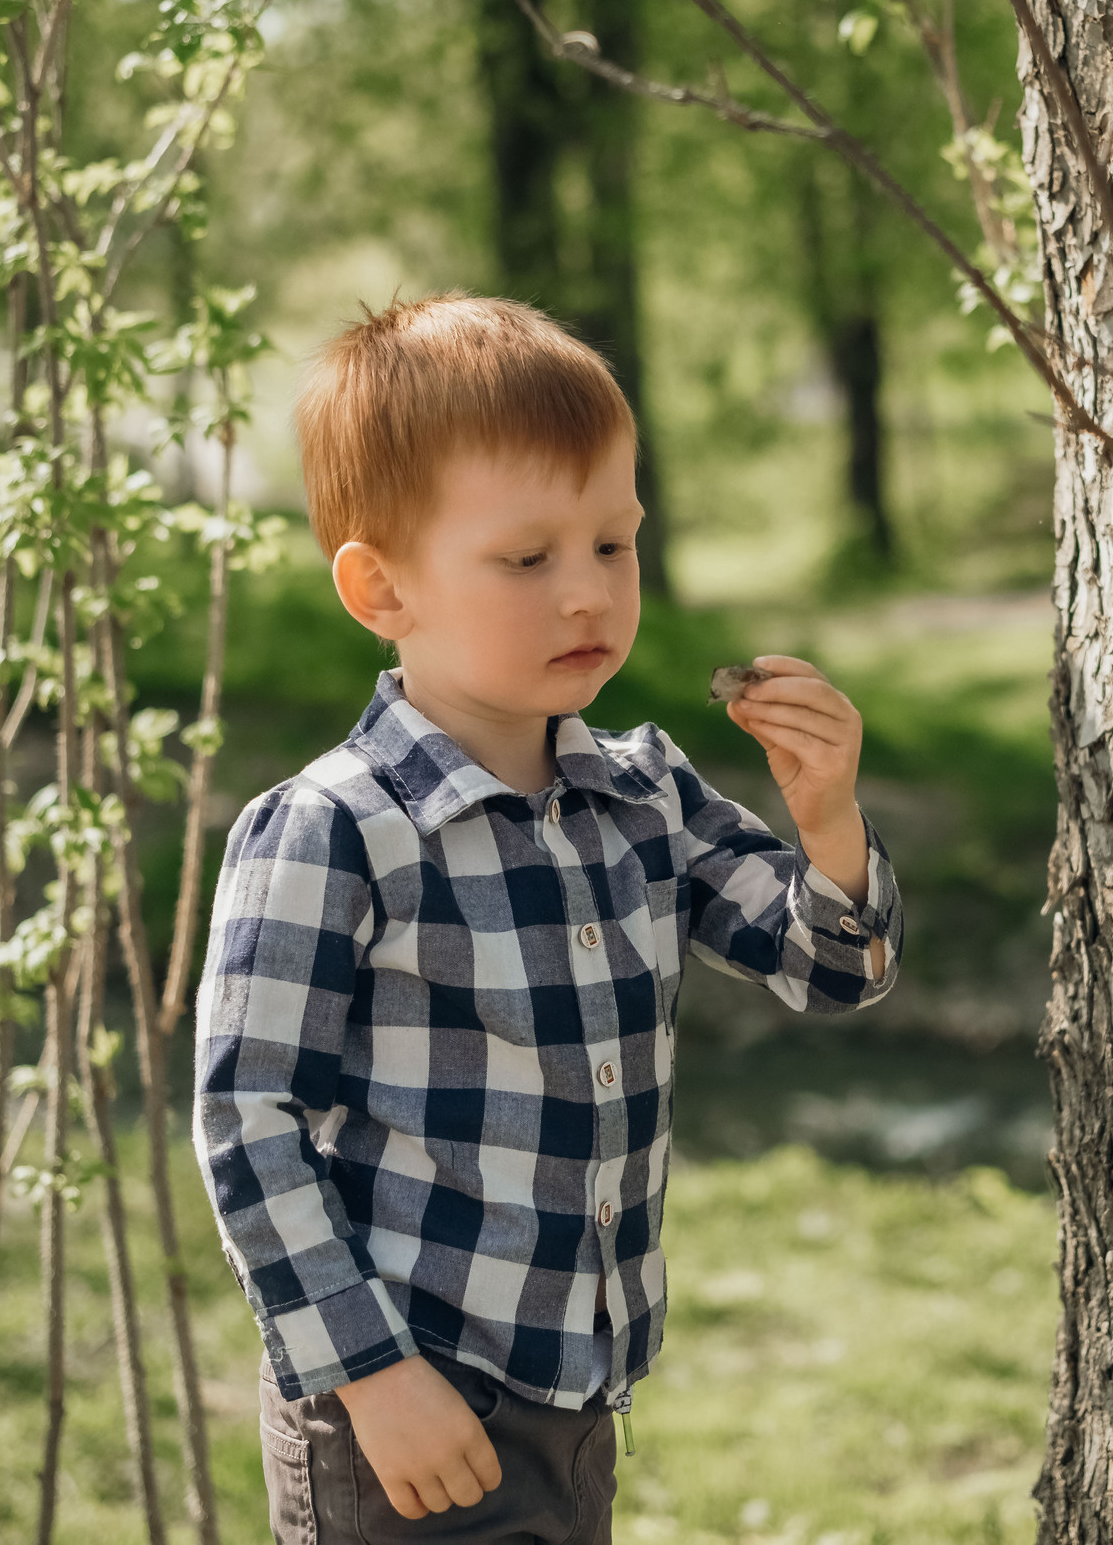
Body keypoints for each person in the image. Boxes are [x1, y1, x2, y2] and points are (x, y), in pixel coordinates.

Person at [192, 294, 904, 1544]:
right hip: (404, 1403)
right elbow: (248, 1126)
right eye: (528, 560)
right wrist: (370, 1375)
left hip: (580, 1389)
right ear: (379, 588)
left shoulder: (643, 793)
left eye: (614, 547)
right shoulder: (336, 829)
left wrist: (828, 820)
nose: (586, 596)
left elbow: (827, 970)